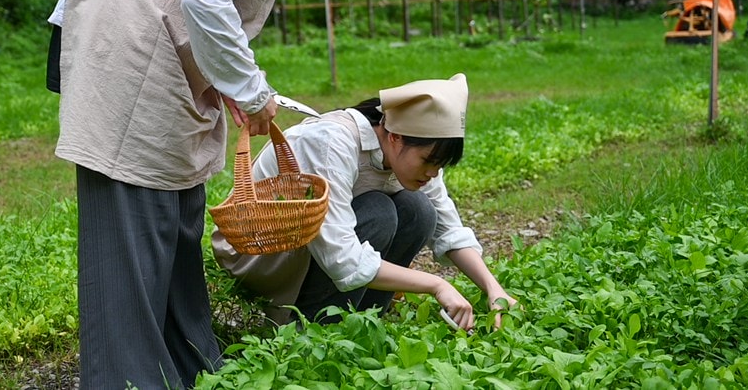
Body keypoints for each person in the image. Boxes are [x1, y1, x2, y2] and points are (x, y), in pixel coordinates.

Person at [48, 0, 412, 389]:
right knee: (133, 215)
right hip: (124, 39)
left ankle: (191, 367)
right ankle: (126, 379)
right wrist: (249, 89)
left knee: (175, 209)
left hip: (156, 45)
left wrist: (234, 82)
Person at [212, 74, 519, 331]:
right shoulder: (331, 143)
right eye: (428, 161)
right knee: (380, 212)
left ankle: (366, 321)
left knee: (420, 211)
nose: (433, 173)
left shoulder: (413, 157)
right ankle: (315, 326)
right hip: (262, 252)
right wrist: (436, 285)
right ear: (395, 137)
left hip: (314, 248)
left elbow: (448, 230)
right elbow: (342, 257)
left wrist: (493, 288)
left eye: (439, 165)